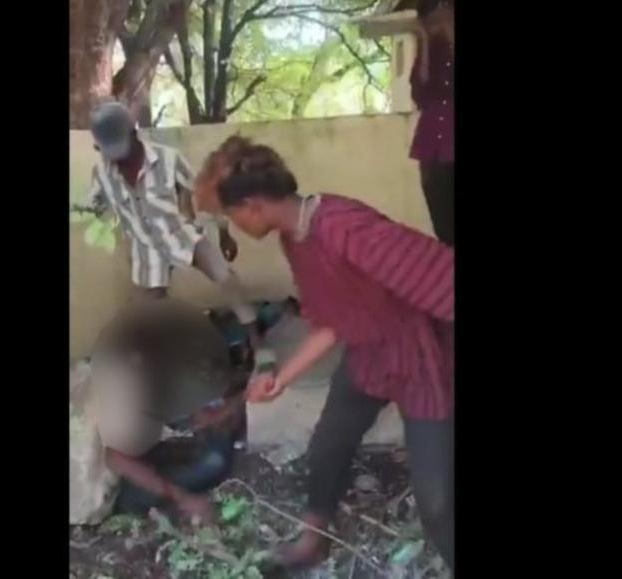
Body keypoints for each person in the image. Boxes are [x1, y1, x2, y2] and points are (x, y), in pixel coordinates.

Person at [195, 137, 455, 571]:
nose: (234, 226)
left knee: (438, 501)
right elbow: (331, 319)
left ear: (253, 206)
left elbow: (440, 276)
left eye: (231, 215)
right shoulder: (294, 238)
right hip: (367, 355)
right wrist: (281, 379)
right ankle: (313, 540)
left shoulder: (346, 227)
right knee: (328, 445)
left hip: (418, 359)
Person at [78, 100, 258, 333]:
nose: (118, 159)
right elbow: (94, 207)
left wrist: (224, 232)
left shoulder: (169, 159)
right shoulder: (102, 174)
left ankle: (256, 337)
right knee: (149, 316)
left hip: (181, 233)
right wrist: (87, 209)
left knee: (225, 277)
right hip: (145, 249)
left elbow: (203, 194)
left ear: (134, 133)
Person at [90, 299, 250, 524]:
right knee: (213, 463)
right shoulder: (123, 397)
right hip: (110, 484)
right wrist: (182, 498)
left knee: (213, 456)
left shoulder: (136, 370)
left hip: (135, 443)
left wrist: (229, 407)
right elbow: (116, 459)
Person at [410, 0, 455, 245]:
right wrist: (424, 43)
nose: (437, 21)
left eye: (442, 10)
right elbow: (420, 93)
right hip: (432, 147)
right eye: (430, 16)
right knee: (443, 226)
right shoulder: (430, 48)